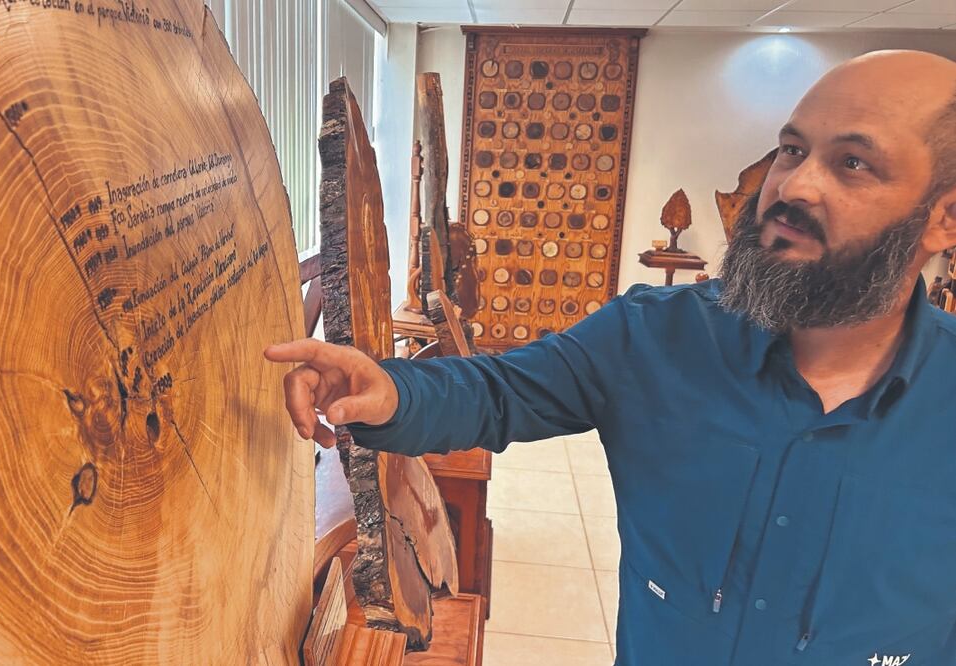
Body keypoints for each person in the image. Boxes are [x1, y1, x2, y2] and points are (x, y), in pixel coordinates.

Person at [266, 50, 956, 665]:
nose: (794, 187)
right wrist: (390, 391)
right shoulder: (656, 337)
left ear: (944, 218)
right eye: (790, 150)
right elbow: (498, 391)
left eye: (853, 163)